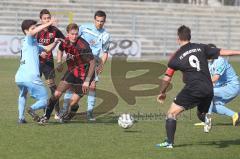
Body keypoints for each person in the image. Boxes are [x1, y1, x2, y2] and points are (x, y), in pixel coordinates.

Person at [155, 25, 240, 148]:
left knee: (171, 114)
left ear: (178, 39)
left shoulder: (176, 57)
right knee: (200, 113)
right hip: (209, 88)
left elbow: (167, 77)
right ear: (190, 36)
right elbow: (223, 52)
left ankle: (169, 143)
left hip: (194, 88)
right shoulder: (201, 47)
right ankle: (206, 119)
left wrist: (162, 92)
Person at [38, 23, 95, 124]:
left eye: (76, 34)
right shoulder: (65, 42)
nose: (74, 36)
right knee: (56, 93)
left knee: (73, 102)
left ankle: (71, 112)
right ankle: (46, 117)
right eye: (72, 34)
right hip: (72, 72)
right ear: (67, 34)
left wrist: (87, 81)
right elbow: (60, 49)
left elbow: (92, 63)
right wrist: (59, 61)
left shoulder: (83, 46)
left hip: (84, 76)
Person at [62, 10, 110, 121]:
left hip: (92, 64)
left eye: (102, 21)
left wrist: (101, 64)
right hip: (77, 62)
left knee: (92, 87)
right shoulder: (84, 28)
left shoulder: (106, 35)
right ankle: (64, 111)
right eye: (97, 21)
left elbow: (105, 52)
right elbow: (72, 38)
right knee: (70, 86)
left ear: (105, 21)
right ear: (94, 20)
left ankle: (89, 114)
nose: (99, 23)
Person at [15, 18, 61, 124]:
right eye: (33, 28)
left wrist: (55, 42)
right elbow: (32, 33)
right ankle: (31, 109)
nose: (35, 30)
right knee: (45, 101)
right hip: (30, 76)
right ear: (26, 31)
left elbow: (47, 49)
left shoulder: (33, 43)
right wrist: (48, 23)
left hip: (20, 76)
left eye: (35, 27)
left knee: (23, 94)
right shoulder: (29, 39)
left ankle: (21, 118)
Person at [194, 44, 240, 130]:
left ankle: (207, 122)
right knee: (212, 105)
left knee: (208, 94)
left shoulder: (220, 61)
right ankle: (235, 115)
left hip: (232, 87)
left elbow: (215, 79)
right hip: (223, 87)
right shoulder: (208, 62)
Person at [35, 9, 65, 119]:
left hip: (48, 63)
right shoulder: (36, 29)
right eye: (45, 18)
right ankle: (25, 114)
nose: (47, 20)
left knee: (53, 89)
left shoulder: (54, 30)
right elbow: (29, 44)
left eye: (48, 18)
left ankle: (57, 112)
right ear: (41, 20)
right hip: (36, 63)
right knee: (36, 88)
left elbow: (64, 40)